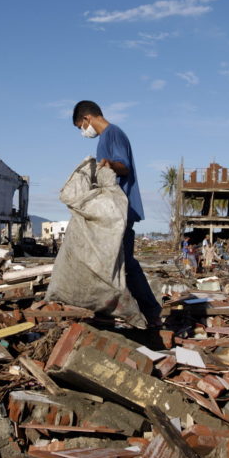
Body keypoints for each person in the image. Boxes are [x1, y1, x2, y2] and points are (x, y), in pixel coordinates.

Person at [72, 100, 162, 326]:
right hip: (114, 210)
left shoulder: (113, 134)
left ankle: (149, 311)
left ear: (87, 119)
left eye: (81, 127)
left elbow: (124, 166)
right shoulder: (106, 138)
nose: (84, 132)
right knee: (116, 262)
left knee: (124, 263)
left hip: (120, 210)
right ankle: (127, 311)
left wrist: (107, 164)